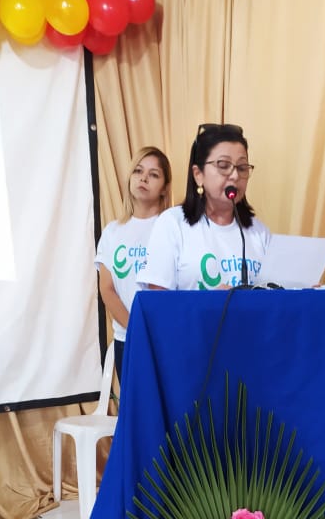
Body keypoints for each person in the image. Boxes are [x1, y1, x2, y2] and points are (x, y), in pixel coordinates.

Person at [136, 123, 270, 290]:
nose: (235, 175)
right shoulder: (172, 224)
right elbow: (157, 304)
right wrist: (210, 304)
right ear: (198, 175)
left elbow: (275, 300)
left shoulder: (259, 232)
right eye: (223, 166)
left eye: (242, 168)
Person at [95, 145, 172, 381]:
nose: (143, 178)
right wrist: (135, 327)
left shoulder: (172, 228)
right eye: (138, 171)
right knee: (134, 413)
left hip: (165, 338)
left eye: (153, 174)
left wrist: (154, 330)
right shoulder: (113, 232)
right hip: (127, 340)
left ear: (164, 188)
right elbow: (106, 289)